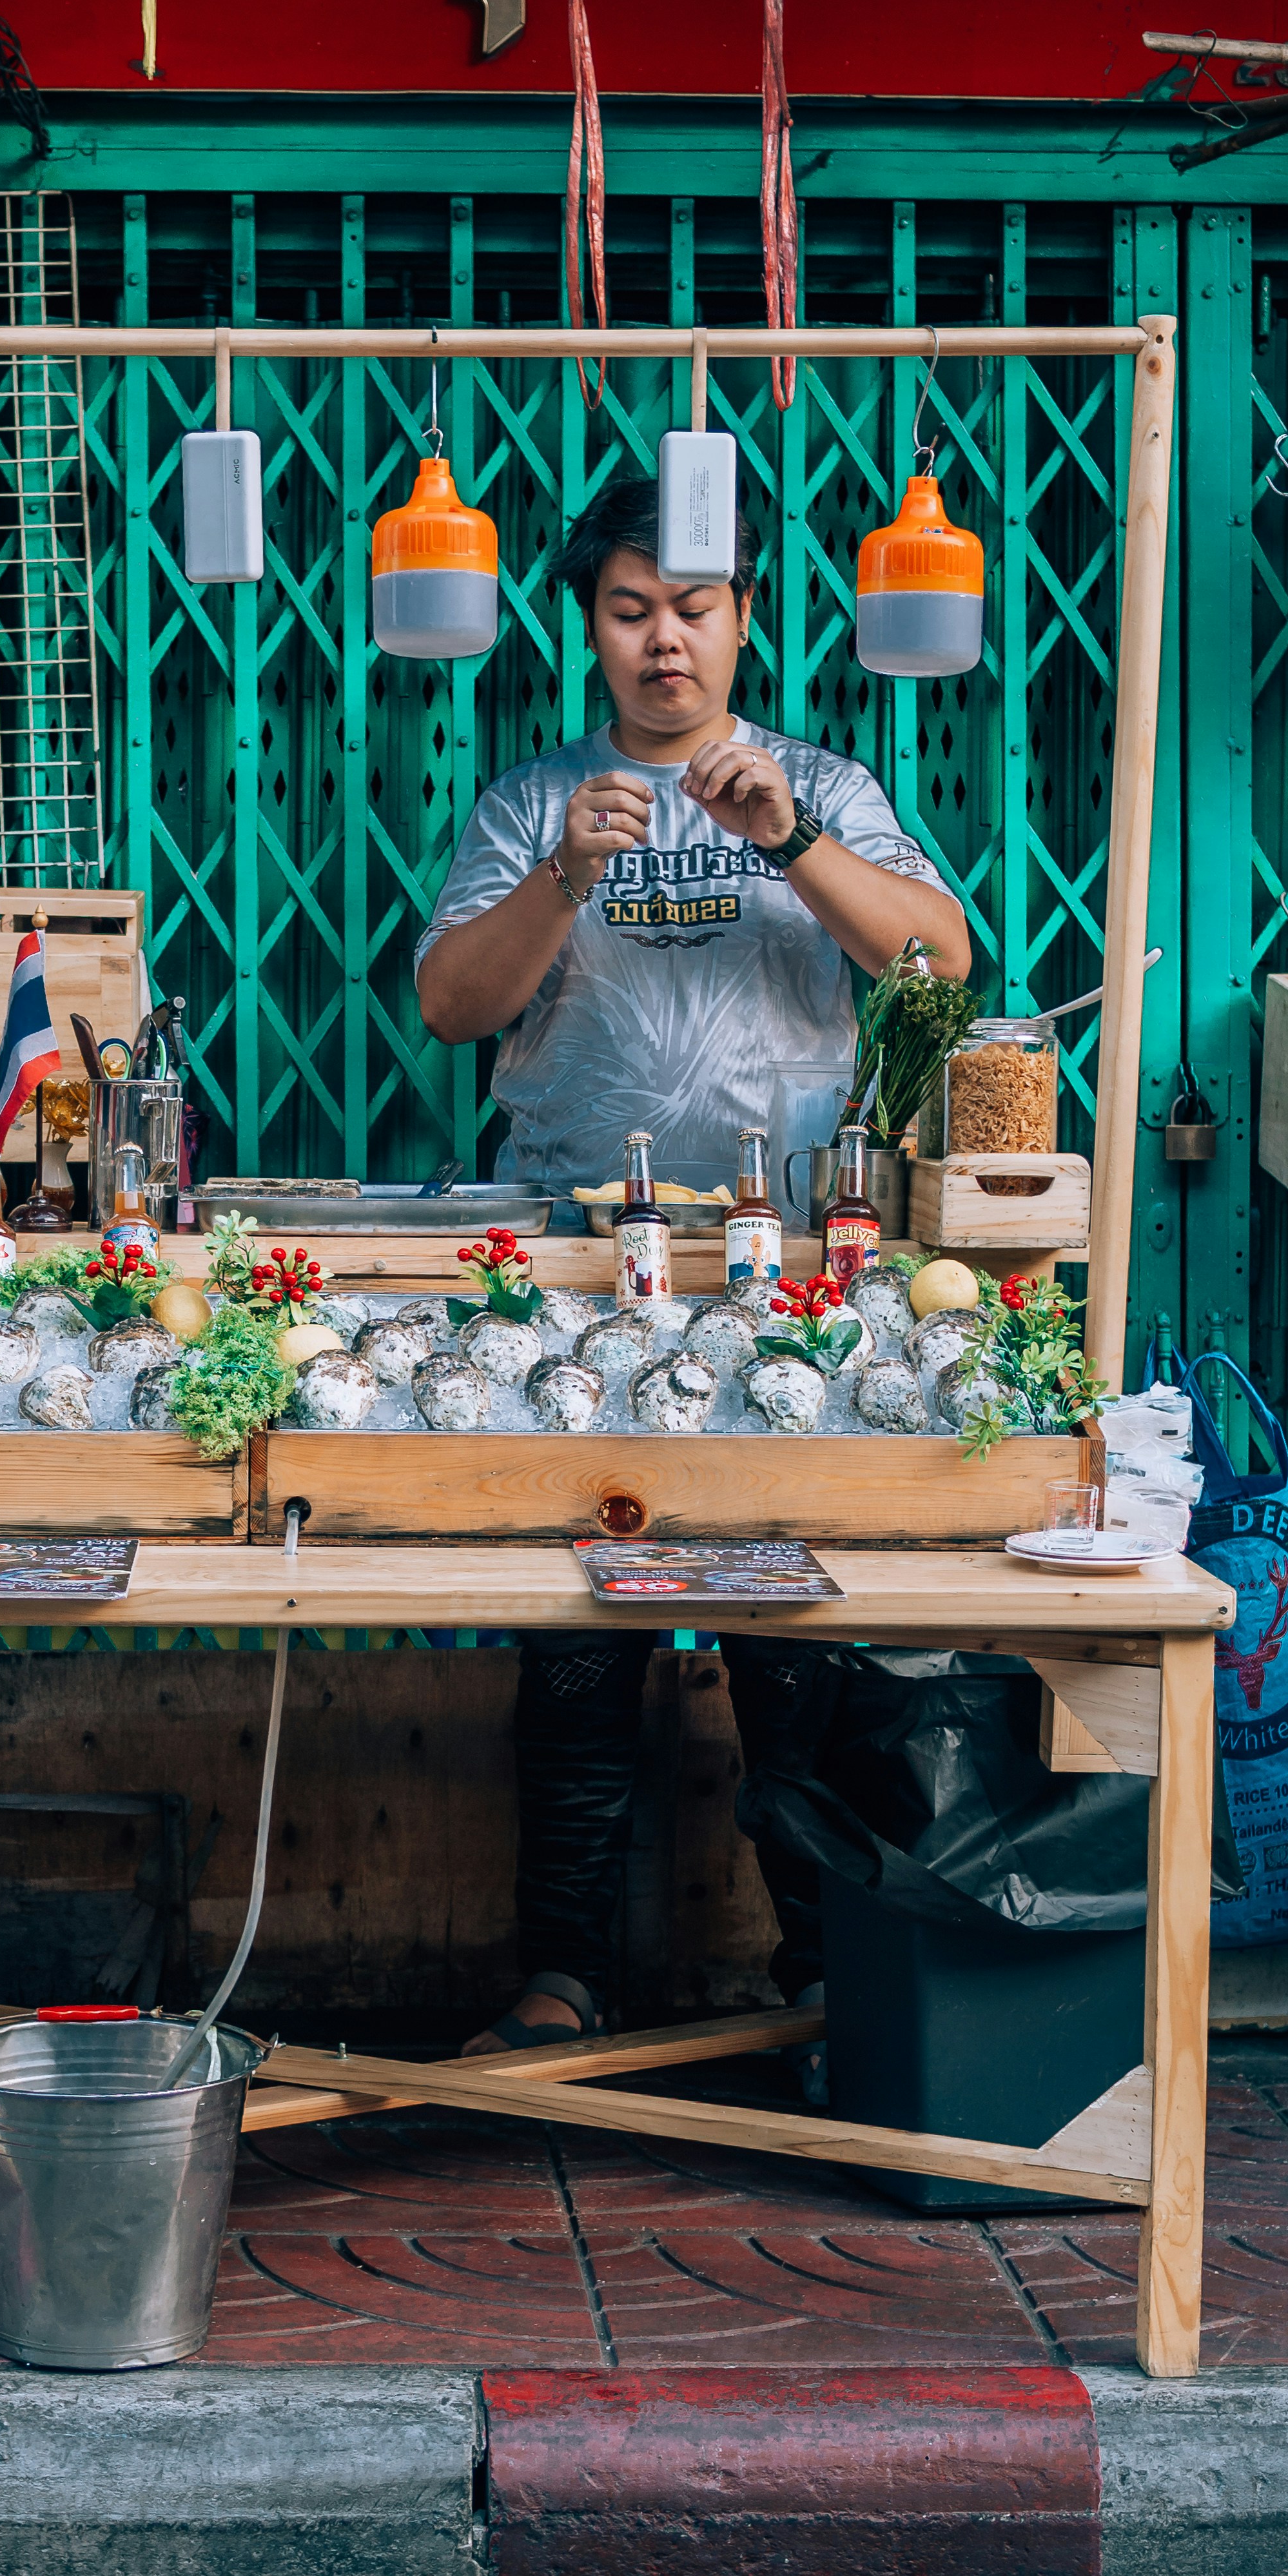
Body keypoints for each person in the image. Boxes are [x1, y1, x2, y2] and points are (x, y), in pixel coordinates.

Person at [413, 469, 971, 2056]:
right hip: (575, 1283)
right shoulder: (535, 802)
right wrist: (563, 877)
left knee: (789, 1630)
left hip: (786, 1273)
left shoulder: (822, 782)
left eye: (696, 607)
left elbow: (942, 957)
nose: (666, 641)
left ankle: (820, 1964)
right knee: (573, 1634)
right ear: (588, 628)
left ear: (744, 621)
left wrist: (786, 838)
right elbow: (453, 1008)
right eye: (630, 608)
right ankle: (562, 1969)